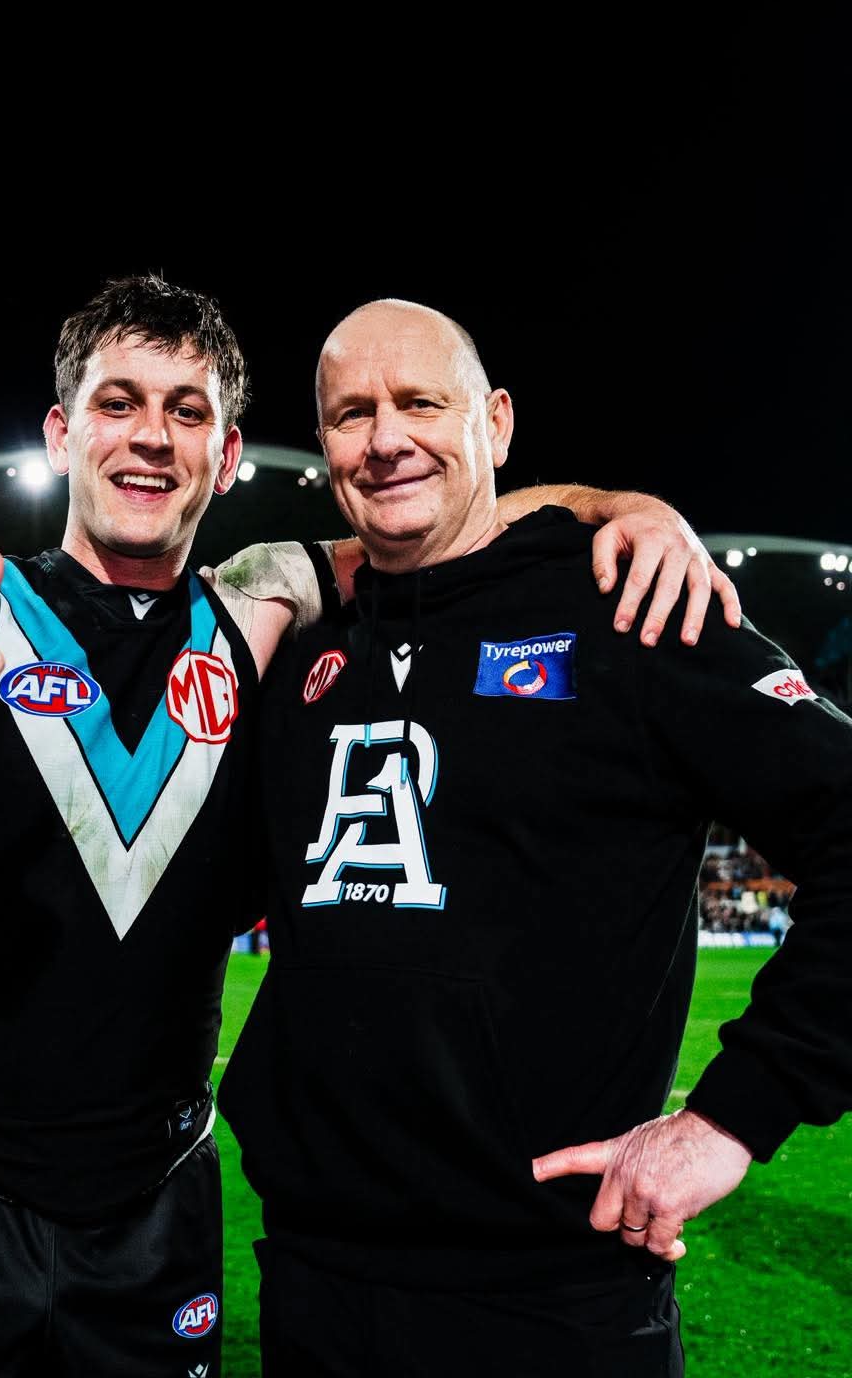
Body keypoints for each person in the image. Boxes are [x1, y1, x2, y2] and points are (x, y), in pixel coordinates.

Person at [0, 277, 735, 1378]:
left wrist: (624, 507)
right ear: (60, 433)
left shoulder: (262, 605)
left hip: (157, 1215)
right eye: (117, 403)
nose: (152, 437)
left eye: (187, 411)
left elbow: (457, 518)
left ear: (227, 453)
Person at [217, 299, 852, 1377]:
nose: (386, 438)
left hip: (555, 1303)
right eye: (352, 413)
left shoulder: (631, 605)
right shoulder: (304, 648)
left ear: (498, 423)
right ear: (323, 444)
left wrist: (734, 1118)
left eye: (422, 403)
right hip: (315, 1287)